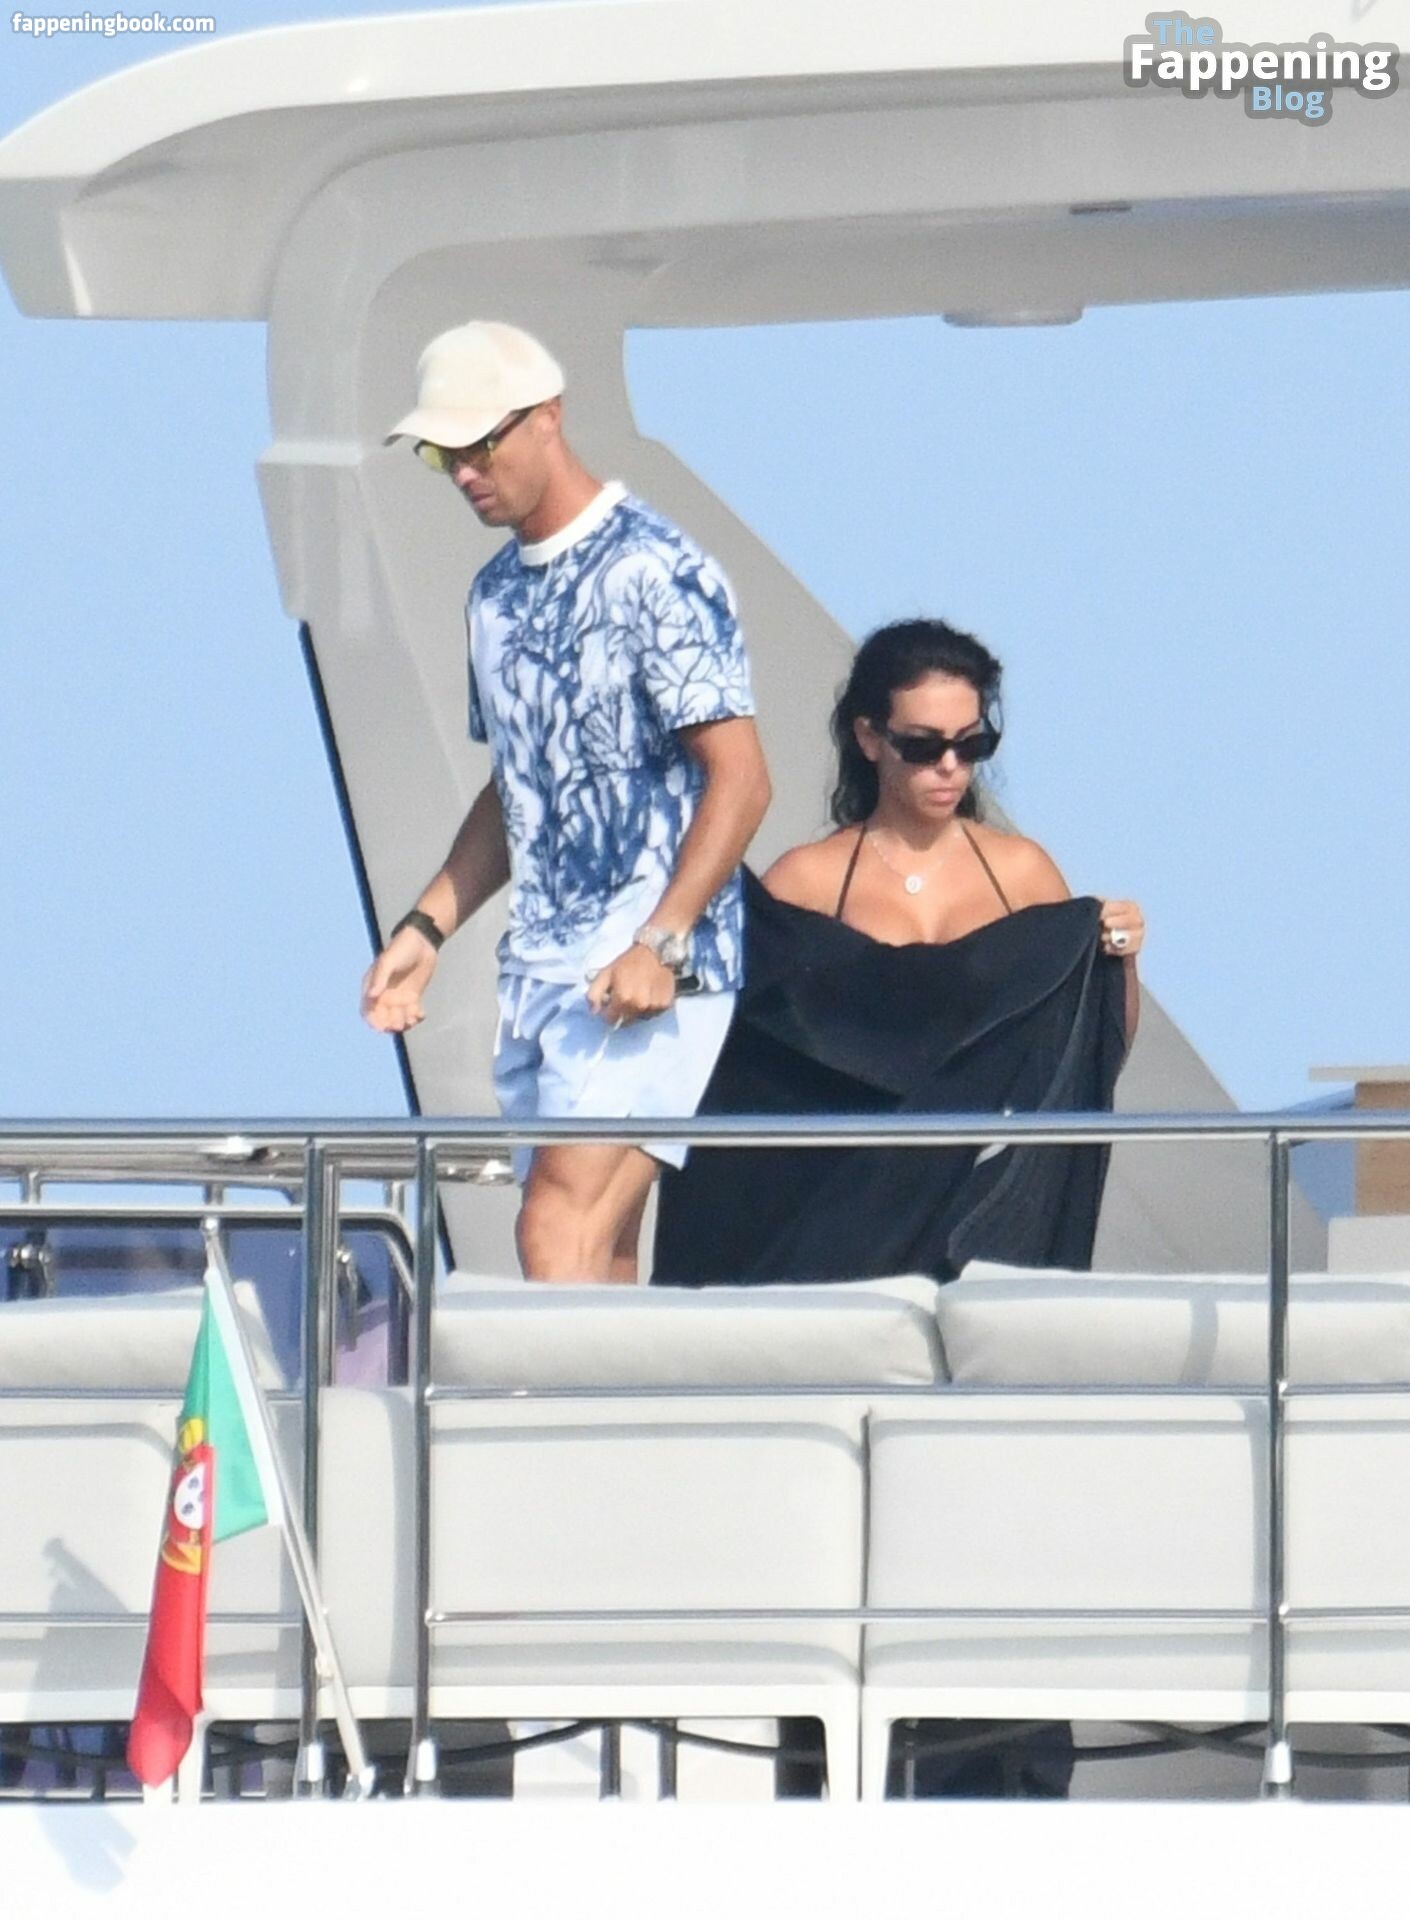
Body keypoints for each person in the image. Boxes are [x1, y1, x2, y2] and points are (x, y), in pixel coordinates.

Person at [361, 321, 771, 1282]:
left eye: (480, 442)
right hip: (541, 975)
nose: (465, 471)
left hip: (653, 965)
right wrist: (426, 927)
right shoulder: (493, 597)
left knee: (554, 1228)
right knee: (599, 1258)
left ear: (548, 416)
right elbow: (521, 788)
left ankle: (536, 1398)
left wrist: (662, 942)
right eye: (443, 454)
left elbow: (742, 777)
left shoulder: (654, 567)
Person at [652, 617, 1145, 1287]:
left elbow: (1084, 1040)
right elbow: (750, 1062)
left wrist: (1116, 956)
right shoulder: (808, 880)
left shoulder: (1021, 871)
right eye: (923, 745)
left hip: (973, 1204)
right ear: (869, 738)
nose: (950, 766)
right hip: (841, 1211)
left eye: (972, 744)